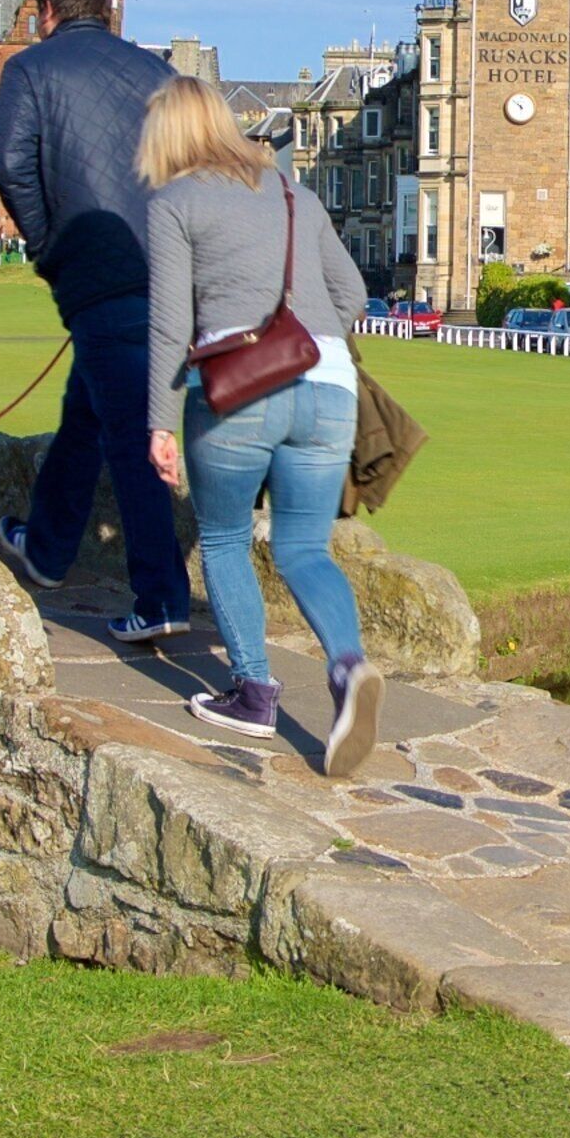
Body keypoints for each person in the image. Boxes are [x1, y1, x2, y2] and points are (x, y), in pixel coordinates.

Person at [135, 75, 385, 771]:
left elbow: (168, 326)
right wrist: (308, 345)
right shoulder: (295, 195)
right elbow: (353, 295)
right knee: (307, 549)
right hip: (330, 380)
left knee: (223, 537)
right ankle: (347, 666)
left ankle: (253, 693)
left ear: (168, 139)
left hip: (240, 386)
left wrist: (158, 421)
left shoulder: (175, 203)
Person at [0, 0, 199, 642]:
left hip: (101, 274)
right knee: (91, 408)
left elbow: (8, 162)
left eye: (34, 13)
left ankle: (161, 595)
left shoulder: (30, 69)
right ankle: (46, 546)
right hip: (171, 272)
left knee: (133, 430)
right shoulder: (159, 72)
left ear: (46, 12)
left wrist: (50, 243)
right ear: (106, 7)